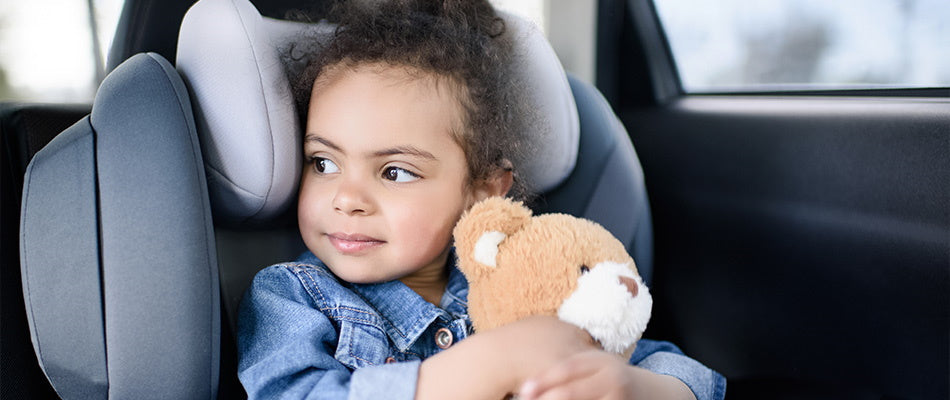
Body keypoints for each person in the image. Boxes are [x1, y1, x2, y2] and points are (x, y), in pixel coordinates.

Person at [237, 1, 726, 399]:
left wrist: (637, 388)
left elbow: (686, 372)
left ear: (483, 190)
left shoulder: (523, 278)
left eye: (394, 172)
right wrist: (493, 362)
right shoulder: (294, 296)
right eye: (323, 163)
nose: (347, 199)